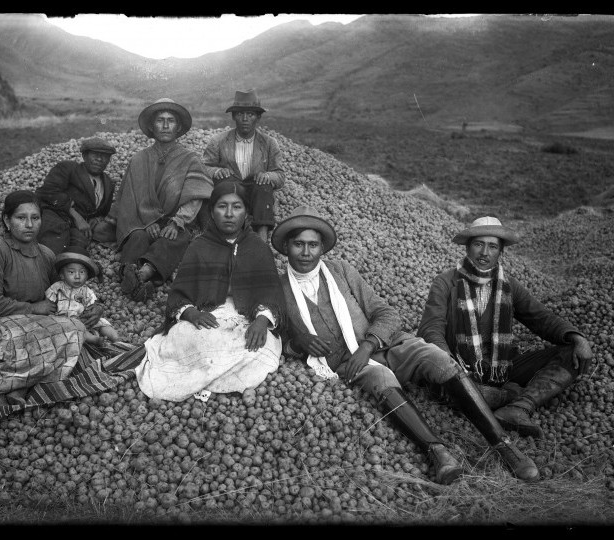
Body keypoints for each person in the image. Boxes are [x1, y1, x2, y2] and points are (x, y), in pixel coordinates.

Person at [272, 205, 540, 484]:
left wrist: (367, 346)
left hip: (386, 346)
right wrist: (299, 342)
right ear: (286, 248)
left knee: (437, 357)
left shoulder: (340, 271)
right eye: (298, 244)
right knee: (381, 378)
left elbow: (387, 314)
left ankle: (502, 444)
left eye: (312, 245)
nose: (306, 253)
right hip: (348, 365)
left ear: (322, 248)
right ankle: (438, 453)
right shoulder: (278, 289)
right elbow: (277, 340)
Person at [417, 216, 594, 439]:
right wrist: (451, 366)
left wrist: (576, 336)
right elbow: (431, 328)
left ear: (501, 252)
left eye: (492, 246)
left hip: (501, 367)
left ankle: (517, 407)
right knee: (442, 382)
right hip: (460, 368)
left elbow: (540, 318)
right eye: (478, 244)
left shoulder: (509, 286)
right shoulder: (445, 282)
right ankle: (501, 395)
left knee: (572, 353)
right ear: (467, 247)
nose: (484, 253)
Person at [0, 190, 109, 407]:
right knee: (41, 339)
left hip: (28, 320)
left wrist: (95, 306)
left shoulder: (45, 254)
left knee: (70, 328)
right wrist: (35, 308)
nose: (29, 224)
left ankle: (19, 384)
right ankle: (6, 385)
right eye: (21, 218)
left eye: (35, 218)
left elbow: (67, 290)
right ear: (7, 220)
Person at [134, 181, 285, 402]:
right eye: (222, 207)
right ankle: (213, 382)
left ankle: (214, 382)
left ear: (247, 213)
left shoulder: (258, 248)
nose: (230, 214)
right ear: (212, 212)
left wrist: (262, 321)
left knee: (256, 346)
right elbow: (179, 294)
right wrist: (191, 313)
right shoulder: (199, 246)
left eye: (237, 207)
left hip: (247, 315)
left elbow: (271, 293)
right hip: (206, 311)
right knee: (189, 337)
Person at [105, 98, 213, 302]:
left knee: (175, 238)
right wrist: (147, 223)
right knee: (136, 237)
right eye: (160, 120)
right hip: (142, 221)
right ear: (151, 127)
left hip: (174, 220)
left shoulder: (190, 159)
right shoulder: (138, 159)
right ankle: (133, 277)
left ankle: (144, 273)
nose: (165, 125)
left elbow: (195, 196)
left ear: (178, 127)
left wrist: (177, 221)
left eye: (170, 120)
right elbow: (129, 198)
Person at [202, 89, 286, 242]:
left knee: (264, 185)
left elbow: (280, 176)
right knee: (223, 183)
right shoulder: (219, 141)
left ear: (258, 117)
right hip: (230, 189)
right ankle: (222, 238)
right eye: (240, 114)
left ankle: (261, 239)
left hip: (256, 192)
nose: (245, 119)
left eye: (251, 114)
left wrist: (267, 175)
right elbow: (203, 168)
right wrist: (216, 171)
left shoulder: (268, 143)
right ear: (234, 117)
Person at [35, 137, 118, 255]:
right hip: (57, 216)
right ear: (84, 156)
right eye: (95, 154)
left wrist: (96, 218)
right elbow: (47, 192)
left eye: (105, 156)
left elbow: (102, 211)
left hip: (80, 227)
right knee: (53, 246)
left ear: (109, 160)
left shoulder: (108, 183)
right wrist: (76, 216)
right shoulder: (68, 168)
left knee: (79, 245)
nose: (99, 159)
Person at [45, 246, 120, 345]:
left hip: (84, 319)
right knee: (77, 329)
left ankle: (116, 338)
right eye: (71, 272)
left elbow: (94, 305)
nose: (77, 276)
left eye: (82, 272)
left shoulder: (87, 291)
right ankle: (95, 340)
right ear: (62, 275)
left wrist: (92, 312)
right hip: (65, 322)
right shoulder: (56, 288)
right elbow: (48, 304)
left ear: (87, 276)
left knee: (102, 323)